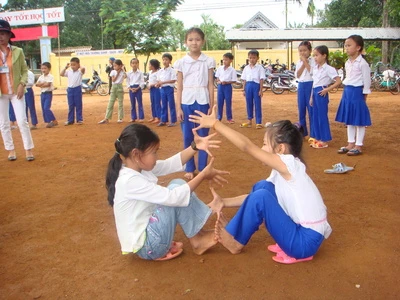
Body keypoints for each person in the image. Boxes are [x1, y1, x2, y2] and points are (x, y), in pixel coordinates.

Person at [189, 107, 332, 264]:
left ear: (280, 149)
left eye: (264, 144)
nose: (262, 148)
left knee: (262, 195)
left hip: (304, 243)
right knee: (263, 188)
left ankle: (235, 241)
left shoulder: (289, 164)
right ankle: (235, 233)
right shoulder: (282, 170)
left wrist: (215, 124)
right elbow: (254, 199)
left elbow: (247, 147)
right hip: (301, 235)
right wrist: (224, 201)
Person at [106, 123, 229, 261]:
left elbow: (170, 164)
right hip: (148, 247)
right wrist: (203, 174)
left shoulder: (136, 167)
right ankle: (198, 239)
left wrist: (195, 146)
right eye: (154, 152)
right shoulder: (130, 180)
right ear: (136, 154)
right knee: (173, 193)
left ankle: (198, 236)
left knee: (177, 184)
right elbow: (173, 198)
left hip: (150, 236)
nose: (156, 156)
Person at [174, 27, 215, 180]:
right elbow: (179, 87)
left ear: (203, 41)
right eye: (190, 39)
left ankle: (203, 168)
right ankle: (189, 167)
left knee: (204, 135)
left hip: (203, 100)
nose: (194, 42)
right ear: (186, 42)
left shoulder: (209, 61)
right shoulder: (180, 63)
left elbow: (211, 84)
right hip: (186, 101)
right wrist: (178, 107)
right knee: (187, 136)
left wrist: (212, 104)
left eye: (197, 39)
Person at [0, 20, 34, 161]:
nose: (0, 36)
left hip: (16, 91)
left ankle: (28, 149)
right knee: (3, 123)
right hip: (1, 93)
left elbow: (24, 71)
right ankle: (11, 150)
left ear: (9, 35)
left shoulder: (17, 51)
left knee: (22, 121)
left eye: (3, 33)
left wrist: (22, 84)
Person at [335, 35, 372, 156]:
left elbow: (367, 81)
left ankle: (358, 145)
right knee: (349, 119)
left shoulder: (363, 63)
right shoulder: (347, 62)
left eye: (349, 45)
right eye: (345, 45)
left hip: (357, 92)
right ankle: (350, 143)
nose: (346, 48)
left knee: (359, 119)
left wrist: (365, 94)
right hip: (348, 91)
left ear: (358, 47)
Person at [310, 46, 341, 149]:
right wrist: (311, 97)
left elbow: (338, 81)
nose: (315, 58)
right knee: (315, 116)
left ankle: (324, 139)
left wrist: (327, 89)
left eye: (317, 55)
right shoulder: (315, 68)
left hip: (322, 92)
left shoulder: (329, 69)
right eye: (314, 55)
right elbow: (314, 83)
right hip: (314, 92)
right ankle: (317, 137)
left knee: (322, 116)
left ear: (324, 56)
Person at [239, 49, 265, 129]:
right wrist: (244, 89)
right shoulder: (246, 68)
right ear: (248, 58)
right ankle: (249, 121)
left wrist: (261, 90)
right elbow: (244, 79)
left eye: (254, 58)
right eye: (250, 58)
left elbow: (261, 79)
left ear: (257, 58)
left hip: (256, 85)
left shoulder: (260, 68)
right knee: (249, 103)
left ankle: (258, 122)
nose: (252, 59)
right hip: (248, 86)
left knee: (257, 104)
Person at [295, 41, 315, 141]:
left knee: (311, 110)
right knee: (301, 110)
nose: (302, 53)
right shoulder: (299, 62)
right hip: (301, 85)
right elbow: (297, 75)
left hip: (310, 84)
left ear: (310, 51)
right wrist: (302, 63)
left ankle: (313, 133)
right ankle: (303, 133)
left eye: (305, 50)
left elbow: (312, 72)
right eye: (300, 51)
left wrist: (305, 62)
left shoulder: (314, 60)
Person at [98, 59, 126, 124]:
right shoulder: (113, 72)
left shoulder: (122, 72)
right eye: (114, 66)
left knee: (120, 104)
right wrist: (118, 72)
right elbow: (113, 80)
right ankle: (107, 118)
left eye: (115, 66)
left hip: (120, 87)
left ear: (120, 66)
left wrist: (123, 69)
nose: (114, 67)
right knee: (110, 103)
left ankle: (120, 118)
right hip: (114, 87)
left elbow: (125, 76)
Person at [60, 57, 86, 126]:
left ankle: (79, 119)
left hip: (77, 89)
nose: (72, 66)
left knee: (78, 105)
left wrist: (79, 66)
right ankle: (70, 120)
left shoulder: (80, 72)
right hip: (70, 89)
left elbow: (83, 69)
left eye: (74, 65)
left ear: (78, 65)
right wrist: (65, 67)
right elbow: (61, 74)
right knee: (71, 105)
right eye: (71, 65)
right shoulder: (69, 72)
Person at [215, 52, 237, 124]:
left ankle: (229, 118)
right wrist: (219, 81)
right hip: (220, 86)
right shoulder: (220, 68)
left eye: (226, 60)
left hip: (227, 87)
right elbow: (217, 77)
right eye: (223, 60)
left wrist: (226, 82)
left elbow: (234, 80)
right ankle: (219, 117)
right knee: (219, 102)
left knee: (228, 102)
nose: (224, 61)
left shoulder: (232, 70)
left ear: (231, 60)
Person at [156, 53, 177, 127]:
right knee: (163, 105)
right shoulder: (160, 71)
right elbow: (158, 80)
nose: (164, 61)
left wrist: (163, 82)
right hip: (162, 89)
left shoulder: (172, 70)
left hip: (169, 88)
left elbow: (173, 80)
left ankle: (173, 121)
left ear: (170, 61)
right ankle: (163, 120)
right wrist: (158, 84)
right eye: (163, 60)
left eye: (166, 60)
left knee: (171, 104)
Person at [36, 62, 58, 129]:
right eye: (42, 68)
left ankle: (54, 120)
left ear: (49, 69)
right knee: (43, 108)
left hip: (48, 93)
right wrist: (43, 84)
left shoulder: (50, 76)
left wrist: (41, 84)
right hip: (42, 94)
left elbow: (48, 84)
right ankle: (49, 121)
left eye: (45, 68)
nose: (43, 70)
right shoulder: (41, 76)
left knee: (46, 108)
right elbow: (36, 84)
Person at [126, 58, 145, 123]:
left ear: (138, 64)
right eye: (133, 63)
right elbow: (127, 82)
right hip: (131, 89)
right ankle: (133, 117)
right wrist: (131, 89)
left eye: (136, 63)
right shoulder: (128, 73)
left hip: (138, 88)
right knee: (132, 103)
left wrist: (137, 88)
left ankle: (141, 117)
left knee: (140, 103)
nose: (134, 64)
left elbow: (142, 82)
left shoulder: (140, 73)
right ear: (131, 64)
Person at [147, 59, 161, 124]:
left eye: (149, 64)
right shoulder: (150, 72)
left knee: (157, 103)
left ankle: (158, 117)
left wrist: (152, 85)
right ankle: (154, 116)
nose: (148, 66)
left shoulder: (158, 72)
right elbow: (149, 81)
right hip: (152, 89)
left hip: (156, 89)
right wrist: (148, 85)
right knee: (152, 102)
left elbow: (158, 82)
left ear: (153, 65)